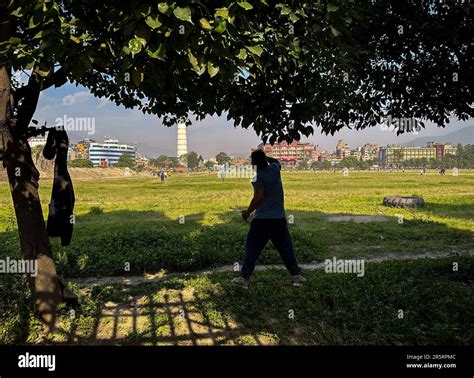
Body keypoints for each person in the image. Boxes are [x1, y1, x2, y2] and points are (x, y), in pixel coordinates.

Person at [232, 149, 306, 289]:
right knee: (286, 249)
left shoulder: (258, 177)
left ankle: (244, 279)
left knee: (252, 249)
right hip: (278, 219)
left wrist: (247, 212)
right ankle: (297, 277)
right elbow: (277, 162)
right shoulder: (274, 169)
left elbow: (258, 198)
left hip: (262, 221)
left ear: (254, 163)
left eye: (252, 161)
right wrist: (266, 157)